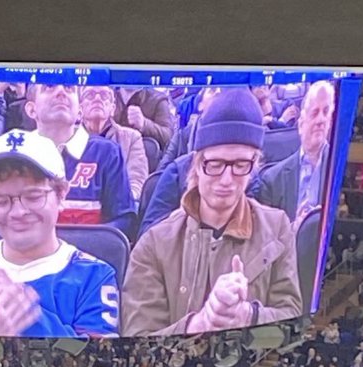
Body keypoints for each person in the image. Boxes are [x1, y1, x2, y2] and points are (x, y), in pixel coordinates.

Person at [122, 89, 302, 336]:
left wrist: (249, 316)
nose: (227, 180)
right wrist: (202, 322)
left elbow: (292, 320)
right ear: (196, 163)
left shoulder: (278, 228)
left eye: (240, 165)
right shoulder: (153, 244)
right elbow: (137, 336)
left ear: (255, 164)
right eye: (215, 164)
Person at [0, 130, 119, 337]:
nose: (18, 212)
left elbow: (94, 363)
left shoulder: (94, 277)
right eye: (0, 201)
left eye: (34, 196)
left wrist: (25, 311)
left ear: (61, 195)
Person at [24, 83, 135, 237]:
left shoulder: (107, 153)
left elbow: (123, 220)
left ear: (79, 111)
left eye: (69, 88)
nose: (61, 92)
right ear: (31, 109)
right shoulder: (11, 152)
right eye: (49, 86)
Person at [256, 80, 336, 222]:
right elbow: (266, 238)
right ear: (300, 125)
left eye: (326, 112)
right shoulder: (272, 180)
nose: (321, 120)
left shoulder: (338, 170)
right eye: (315, 112)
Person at [80, 84, 149, 202]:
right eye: (90, 95)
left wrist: (120, 203)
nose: (97, 99)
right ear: (80, 108)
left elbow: (137, 181)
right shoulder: (67, 137)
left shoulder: (132, 138)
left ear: (112, 108)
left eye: (104, 95)